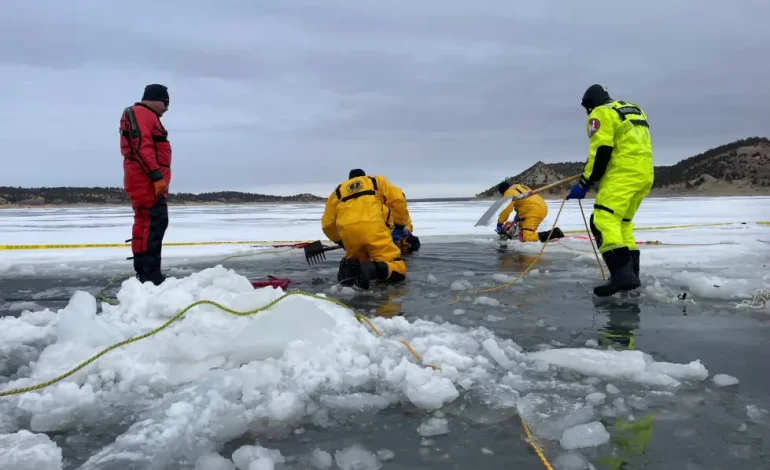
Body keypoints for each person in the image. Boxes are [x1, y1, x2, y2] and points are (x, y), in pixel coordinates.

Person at [566, 84, 654, 297]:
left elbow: (602, 150)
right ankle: (632, 276)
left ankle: (622, 277)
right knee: (622, 223)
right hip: (644, 173)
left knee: (602, 219)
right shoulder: (632, 108)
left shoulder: (600, 112)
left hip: (621, 174)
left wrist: (584, 184)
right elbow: (619, 145)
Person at [321, 169, 411, 289]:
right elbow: (398, 199)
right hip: (373, 230)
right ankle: (373, 270)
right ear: (364, 176)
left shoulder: (338, 192)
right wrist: (400, 225)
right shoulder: (376, 181)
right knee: (396, 267)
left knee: (357, 263)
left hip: (349, 234)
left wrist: (339, 241)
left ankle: (349, 271)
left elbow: (327, 224)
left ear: (349, 179)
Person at [119, 84, 172, 285]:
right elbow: (142, 147)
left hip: (142, 181)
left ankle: (144, 272)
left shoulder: (144, 116)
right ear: (154, 99)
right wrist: (156, 176)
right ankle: (151, 275)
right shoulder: (142, 115)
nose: (167, 108)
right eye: (165, 103)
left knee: (145, 223)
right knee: (155, 223)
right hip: (147, 182)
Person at [495, 181, 565, 242]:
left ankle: (554, 233)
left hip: (532, 210)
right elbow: (523, 202)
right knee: (522, 230)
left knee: (527, 237)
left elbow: (506, 209)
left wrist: (500, 223)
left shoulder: (508, 193)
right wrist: (517, 219)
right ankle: (526, 232)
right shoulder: (518, 187)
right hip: (541, 207)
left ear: (503, 191)